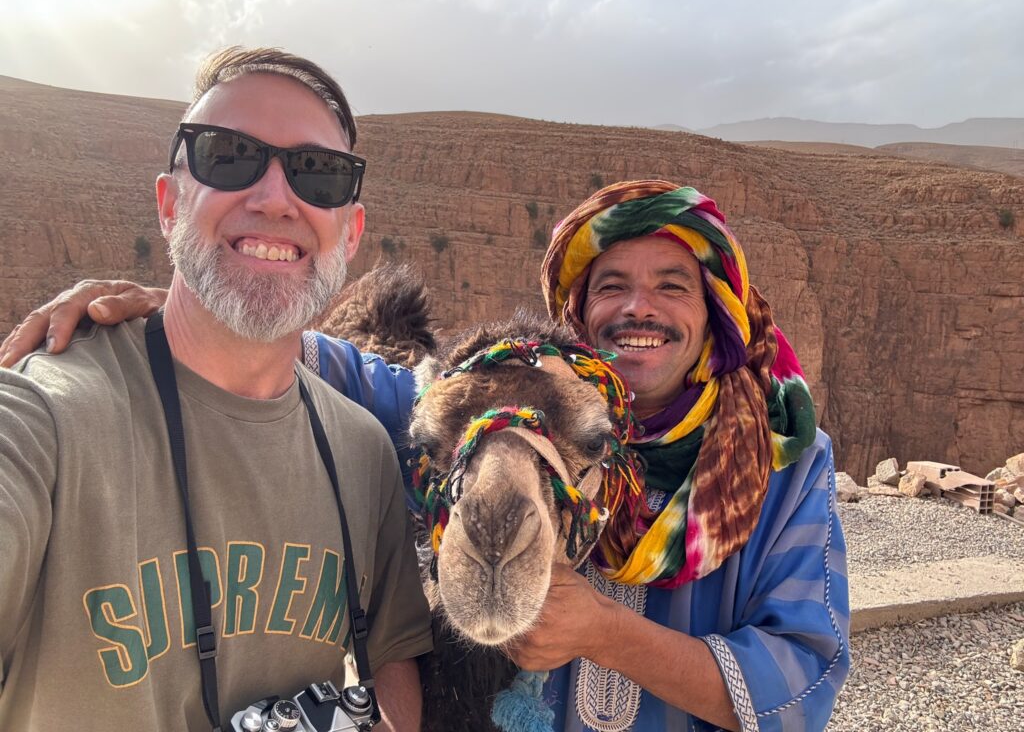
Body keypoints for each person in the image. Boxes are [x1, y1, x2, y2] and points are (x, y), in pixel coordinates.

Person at [1, 179, 849, 731]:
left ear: (718, 307)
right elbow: (350, 371)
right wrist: (183, 312)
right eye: (612, 285)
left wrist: (608, 634)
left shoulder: (777, 468)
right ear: (579, 307)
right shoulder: (508, 409)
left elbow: (805, 679)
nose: (640, 309)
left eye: (672, 284)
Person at [0, 47, 432, 731]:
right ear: (170, 205)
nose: (272, 199)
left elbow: (394, 655)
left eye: (317, 175)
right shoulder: (44, 416)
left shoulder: (364, 450)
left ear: (350, 233)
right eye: (228, 156)